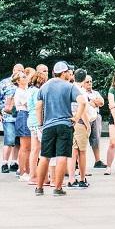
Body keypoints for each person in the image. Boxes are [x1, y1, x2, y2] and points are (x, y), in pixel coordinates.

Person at [33, 61, 84, 197]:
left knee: (45, 156)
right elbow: (82, 102)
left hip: (48, 125)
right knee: (62, 156)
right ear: (64, 73)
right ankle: (58, 188)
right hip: (64, 125)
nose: (69, 74)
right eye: (68, 72)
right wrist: (76, 117)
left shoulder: (44, 87)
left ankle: (39, 188)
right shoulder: (70, 86)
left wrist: (40, 124)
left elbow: (38, 107)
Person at [66, 68, 95, 188]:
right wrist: (88, 125)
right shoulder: (81, 91)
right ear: (84, 79)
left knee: (72, 152)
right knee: (82, 152)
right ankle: (82, 178)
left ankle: (71, 178)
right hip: (80, 122)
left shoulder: (68, 88)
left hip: (69, 120)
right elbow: (82, 108)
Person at [0, 63, 24, 174]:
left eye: (22, 70)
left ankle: (14, 162)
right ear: (13, 70)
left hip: (20, 117)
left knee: (18, 142)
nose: (20, 72)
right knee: (9, 139)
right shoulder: (5, 83)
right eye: (18, 70)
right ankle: (4, 162)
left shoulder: (24, 83)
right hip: (8, 117)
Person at [24, 70, 47, 182]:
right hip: (37, 121)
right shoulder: (38, 92)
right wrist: (41, 123)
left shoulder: (29, 90)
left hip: (30, 120)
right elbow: (39, 107)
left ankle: (32, 175)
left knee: (34, 149)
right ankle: (41, 176)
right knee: (43, 149)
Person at [13, 70, 33, 179]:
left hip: (27, 115)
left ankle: (28, 171)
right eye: (23, 77)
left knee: (29, 147)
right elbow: (28, 103)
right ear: (18, 81)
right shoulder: (20, 91)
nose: (26, 78)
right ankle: (22, 172)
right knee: (24, 146)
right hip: (23, 115)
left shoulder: (26, 90)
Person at [83, 74, 105, 171]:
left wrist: (92, 102)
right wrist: (92, 102)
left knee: (96, 139)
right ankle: (80, 164)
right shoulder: (81, 92)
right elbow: (86, 104)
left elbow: (101, 103)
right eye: (87, 82)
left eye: (91, 81)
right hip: (85, 118)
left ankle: (97, 161)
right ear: (83, 82)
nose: (90, 83)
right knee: (82, 141)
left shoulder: (95, 92)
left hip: (95, 117)